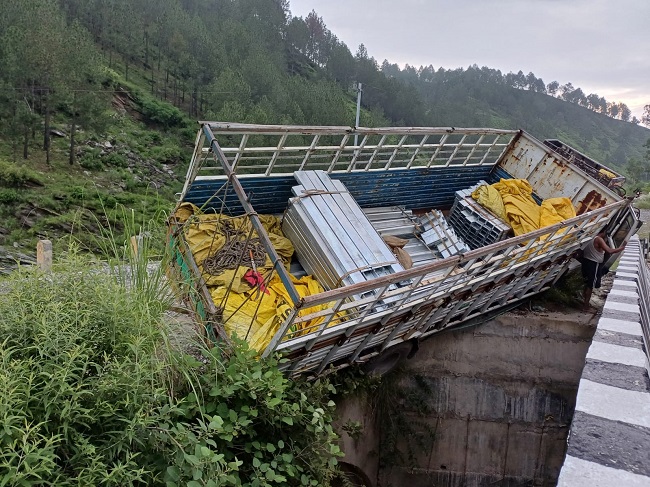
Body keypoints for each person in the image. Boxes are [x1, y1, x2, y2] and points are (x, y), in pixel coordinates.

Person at [581, 231, 626, 309]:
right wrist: (622, 248)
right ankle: (586, 305)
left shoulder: (590, 237)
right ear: (603, 232)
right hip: (594, 264)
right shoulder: (598, 239)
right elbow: (610, 251)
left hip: (586, 262)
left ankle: (585, 303)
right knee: (590, 285)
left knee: (587, 283)